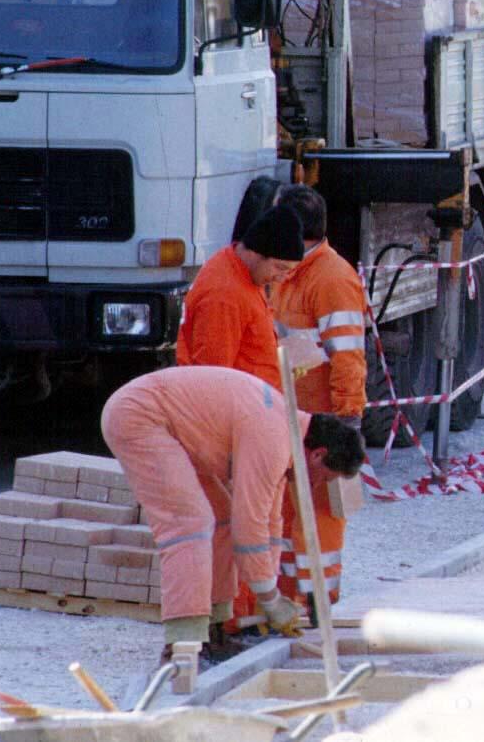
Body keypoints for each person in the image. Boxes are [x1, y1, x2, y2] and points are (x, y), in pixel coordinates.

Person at [100, 366, 364, 665]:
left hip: (164, 422)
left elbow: (269, 524)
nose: (316, 484)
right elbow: (249, 529)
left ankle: (214, 630)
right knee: (191, 522)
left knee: (220, 516)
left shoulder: (286, 435)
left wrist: (270, 597)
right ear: (318, 454)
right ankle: (182, 643)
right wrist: (271, 600)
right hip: (139, 417)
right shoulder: (274, 438)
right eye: (324, 477)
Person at [268, 184, 367, 616]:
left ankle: (317, 599)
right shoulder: (293, 274)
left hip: (322, 420)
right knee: (291, 512)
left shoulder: (330, 279)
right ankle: (293, 596)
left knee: (320, 514)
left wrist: (347, 417)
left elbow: (348, 355)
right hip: (294, 415)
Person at [176, 203, 305, 389]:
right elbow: (213, 380)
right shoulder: (224, 296)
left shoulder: (245, 272)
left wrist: (279, 367)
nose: (282, 278)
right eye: (280, 267)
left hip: (256, 403)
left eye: (289, 271)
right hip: (240, 410)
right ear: (255, 252)